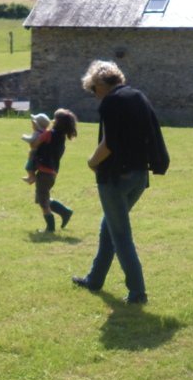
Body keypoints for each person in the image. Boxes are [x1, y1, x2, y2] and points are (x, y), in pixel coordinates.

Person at [72, 60, 168, 304]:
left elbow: (108, 144)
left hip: (116, 177)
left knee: (121, 235)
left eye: (94, 89)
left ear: (102, 84)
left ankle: (138, 293)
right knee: (110, 228)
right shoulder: (138, 96)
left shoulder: (111, 102)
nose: (95, 95)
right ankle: (94, 279)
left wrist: (91, 162)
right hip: (139, 176)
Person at [27, 109, 77, 233]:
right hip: (52, 172)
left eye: (54, 118)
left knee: (43, 202)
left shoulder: (49, 133)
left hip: (44, 172)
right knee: (42, 197)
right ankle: (65, 212)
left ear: (58, 122)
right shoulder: (61, 137)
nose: (52, 120)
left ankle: (50, 228)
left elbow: (35, 144)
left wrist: (34, 136)